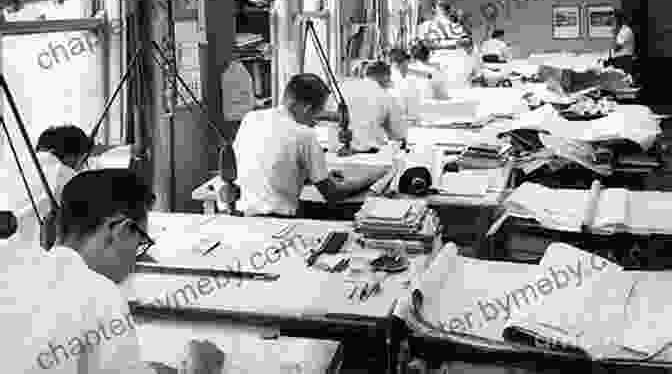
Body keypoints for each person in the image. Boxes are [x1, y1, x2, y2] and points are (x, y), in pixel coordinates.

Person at [3, 168, 226, 373]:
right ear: (120, 231)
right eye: (139, 244)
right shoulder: (97, 294)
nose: (134, 264)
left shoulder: (12, 269)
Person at [234, 74, 389, 217]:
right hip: (280, 219)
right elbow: (333, 195)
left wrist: (313, 175)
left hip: (244, 214)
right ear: (307, 109)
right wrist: (373, 177)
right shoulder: (304, 134)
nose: (316, 121)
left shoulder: (251, 118)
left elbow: (270, 167)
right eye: (318, 113)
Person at [10, 125, 93, 246]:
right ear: (74, 156)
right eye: (83, 161)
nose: (82, 168)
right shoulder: (67, 177)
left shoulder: (11, 168)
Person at [335, 61, 408, 151]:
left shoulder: (343, 87)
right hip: (368, 154)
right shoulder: (386, 96)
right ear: (386, 77)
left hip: (335, 151)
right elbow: (398, 135)